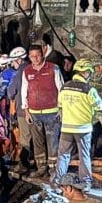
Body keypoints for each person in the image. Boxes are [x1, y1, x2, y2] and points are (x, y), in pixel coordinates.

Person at [55, 58, 102, 186]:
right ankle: (85, 182)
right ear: (86, 72)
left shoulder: (64, 87)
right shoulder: (89, 90)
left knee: (63, 156)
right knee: (84, 156)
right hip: (83, 129)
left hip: (66, 128)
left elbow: (59, 105)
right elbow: (100, 107)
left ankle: (58, 180)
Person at [20, 44, 64, 178]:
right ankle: (41, 168)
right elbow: (24, 91)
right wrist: (26, 111)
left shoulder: (53, 68)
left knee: (53, 142)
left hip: (52, 112)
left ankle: (53, 170)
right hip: (34, 113)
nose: (36, 58)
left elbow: (61, 89)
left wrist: (61, 108)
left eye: (38, 55)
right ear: (29, 57)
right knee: (38, 142)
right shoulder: (27, 71)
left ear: (43, 54)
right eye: (32, 56)